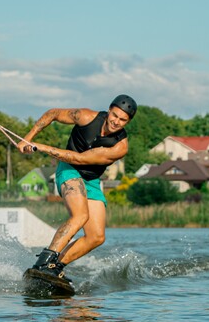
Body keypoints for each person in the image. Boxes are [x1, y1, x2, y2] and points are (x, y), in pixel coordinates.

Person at [18, 94, 137, 283]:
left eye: (123, 120)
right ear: (109, 110)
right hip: (69, 171)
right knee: (80, 216)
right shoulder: (85, 117)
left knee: (96, 237)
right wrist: (27, 138)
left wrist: (39, 147)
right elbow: (53, 114)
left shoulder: (119, 147)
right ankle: (44, 262)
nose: (116, 122)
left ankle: (55, 267)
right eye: (114, 115)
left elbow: (80, 158)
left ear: (128, 122)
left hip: (90, 179)